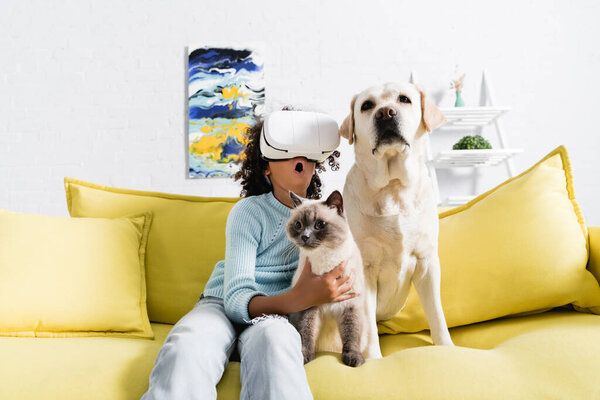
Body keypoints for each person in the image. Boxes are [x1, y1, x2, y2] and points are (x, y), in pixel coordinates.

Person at [141, 108, 357, 400]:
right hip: (221, 304)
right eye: (287, 151)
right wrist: (299, 298)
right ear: (266, 166)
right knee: (187, 346)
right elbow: (236, 299)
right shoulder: (249, 211)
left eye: (308, 154)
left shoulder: (328, 220)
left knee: (277, 344)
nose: (299, 160)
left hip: (275, 318)